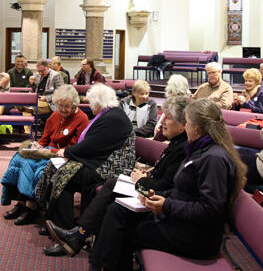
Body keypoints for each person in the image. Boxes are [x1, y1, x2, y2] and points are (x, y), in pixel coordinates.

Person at [88, 99, 246, 269]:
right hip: (182, 222)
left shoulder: (213, 159)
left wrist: (166, 205)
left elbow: (210, 210)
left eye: (187, 122)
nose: (185, 126)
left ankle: (97, 265)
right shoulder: (201, 151)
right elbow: (183, 192)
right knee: (118, 211)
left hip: (196, 236)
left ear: (196, 128)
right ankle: (97, 265)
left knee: (123, 228)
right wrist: (157, 196)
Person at [46, 96, 190, 256]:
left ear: (183, 125)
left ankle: (79, 235)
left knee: (104, 189)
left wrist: (142, 180)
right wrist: (146, 175)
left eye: (167, 118)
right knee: (89, 181)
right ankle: (77, 234)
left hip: (152, 195)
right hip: (141, 184)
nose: (161, 123)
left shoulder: (182, 149)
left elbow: (165, 185)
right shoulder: (176, 144)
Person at [38, 84, 133, 256]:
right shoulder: (109, 115)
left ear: (98, 103)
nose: (90, 106)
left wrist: (67, 152)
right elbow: (93, 146)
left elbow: (91, 146)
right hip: (100, 161)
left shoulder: (113, 118)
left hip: (109, 167)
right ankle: (59, 224)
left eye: (91, 103)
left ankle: (67, 232)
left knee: (66, 176)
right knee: (61, 171)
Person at [1, 85, 88, 225]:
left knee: (34, 167)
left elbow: (75, 147)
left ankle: (32, 207)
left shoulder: (82, 118)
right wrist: (38, 145)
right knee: (20, 159)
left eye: (67, 106)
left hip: (62, 156)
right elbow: (45, 138)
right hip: (47, 151)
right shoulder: (55, 115)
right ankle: (21, 202)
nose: (62, 109)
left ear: (75, 104)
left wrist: (49, 151)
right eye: (60, 105)